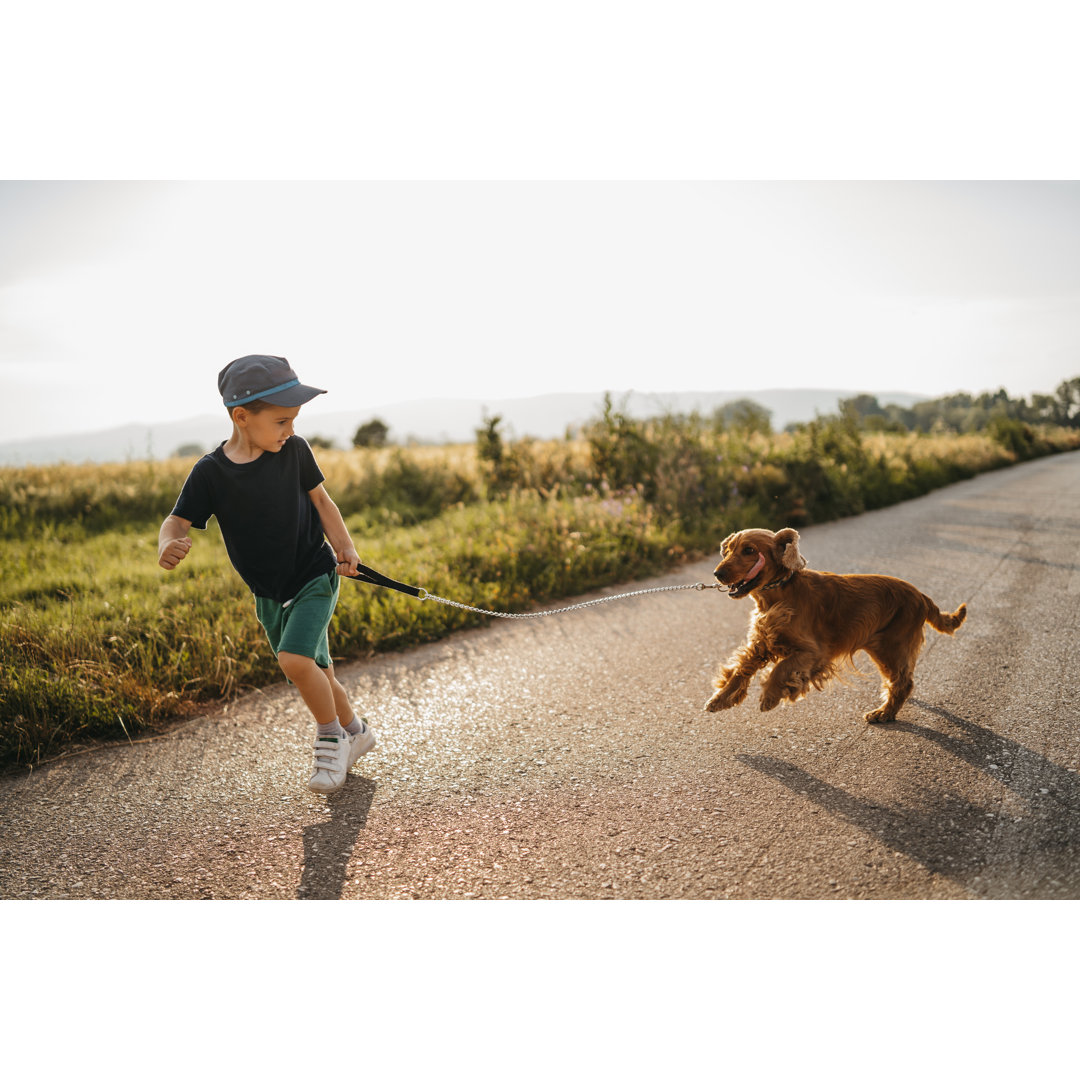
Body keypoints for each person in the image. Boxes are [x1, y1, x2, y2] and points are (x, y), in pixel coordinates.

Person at [157, 354, 375, 793]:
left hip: (314, 575)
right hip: (269, 594)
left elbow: (322, 504)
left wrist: (345, 548)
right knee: (320, 674)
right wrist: (168, 543)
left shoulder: (294, 451)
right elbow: (176, 521)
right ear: (241, 416)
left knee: (294, 662)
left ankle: (331, 737)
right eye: (281, 420)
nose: (291, 429)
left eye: (293, 419)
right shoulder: (211, 473)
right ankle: (356, 731)